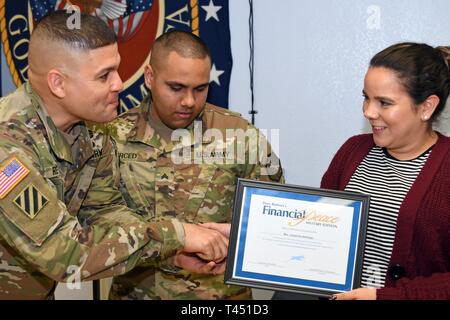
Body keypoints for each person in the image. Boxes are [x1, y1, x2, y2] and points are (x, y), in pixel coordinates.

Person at [0, 11, 228, 300]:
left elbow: (107, 213)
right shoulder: (7, 145)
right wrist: (178, 234)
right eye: (104, 75)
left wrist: (171, 254)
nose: (119, 83)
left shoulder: (92, 132)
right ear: (58, 84)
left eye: (116, 70)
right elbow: (66, 254)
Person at [104, 30, 284, 300]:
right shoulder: (111, 139)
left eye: (200, 88)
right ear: (150, 77)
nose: (189, 101)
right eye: (176, 88)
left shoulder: (240, 136)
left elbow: (275, 220)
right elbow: (95, 229)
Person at [325, 42, 450, 300]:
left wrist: (383, 297)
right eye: (366, 98)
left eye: (384, 102)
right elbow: (318, 226)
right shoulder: (352, 151)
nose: (369, 112)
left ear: (427, 107)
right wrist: (246, 238)